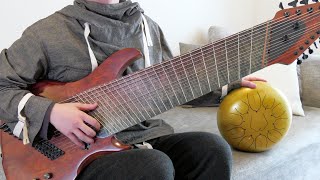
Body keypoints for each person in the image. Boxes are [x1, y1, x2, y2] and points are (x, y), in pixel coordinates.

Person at [0, 0, 266, 179]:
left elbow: (171, 83)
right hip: (75, 152)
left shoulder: (147, 27)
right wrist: (52, 112)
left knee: (211, 148)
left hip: (143, 135)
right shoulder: (47, 33)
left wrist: (226, 86)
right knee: (153, 165)